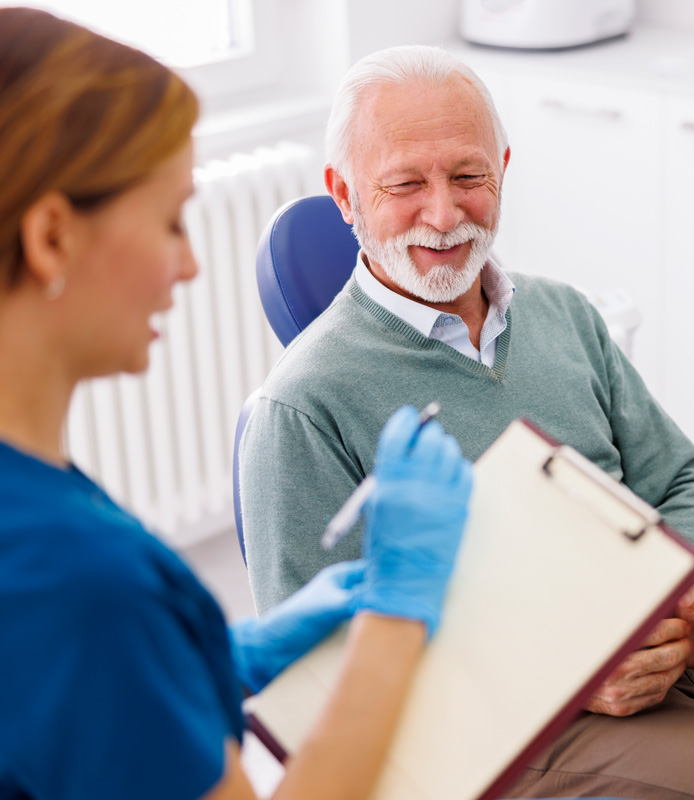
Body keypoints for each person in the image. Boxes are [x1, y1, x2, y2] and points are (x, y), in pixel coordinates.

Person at [239, 44, 694, 798]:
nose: (444, 214)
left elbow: (681, 478)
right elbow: (322, 690)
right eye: (406, 184)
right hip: (530, 723)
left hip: (678, 634)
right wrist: (563, 670)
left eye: (469, 176)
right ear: (345, 196)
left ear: (502, 167)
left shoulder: (564, 314)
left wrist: (687, 604)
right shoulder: (300, 408)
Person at [0, 10, 474, 800]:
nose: (189, 265)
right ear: (52, 236)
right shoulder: (79, 582)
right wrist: (398, 609)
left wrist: (215, 655)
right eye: (170, 221)